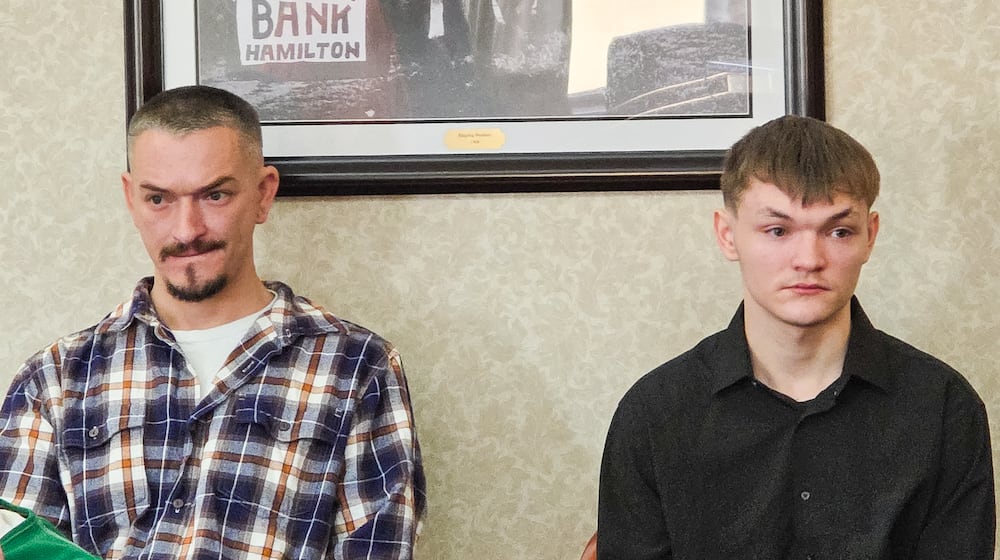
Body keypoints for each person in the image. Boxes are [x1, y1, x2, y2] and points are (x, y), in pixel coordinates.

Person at [0, 85, 426, 559]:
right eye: (159, 199)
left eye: (215, 195)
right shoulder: (54, 378)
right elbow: (20, 547)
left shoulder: (356, 366)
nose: (187, 230)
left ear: (263, 195)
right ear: (130, 198)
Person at [598, 115, 995, 559]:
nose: (809, 259)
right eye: (778, 230)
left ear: (870, 237)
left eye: (839, 231)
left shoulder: (944, 407)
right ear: (727, 236)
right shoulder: (655, 413)